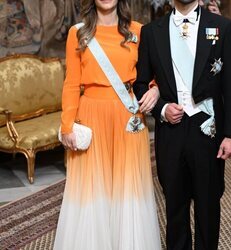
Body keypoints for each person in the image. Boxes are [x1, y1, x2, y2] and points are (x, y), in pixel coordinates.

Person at [134, 0, 231, 249]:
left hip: (208, 129)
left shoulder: (222, 27)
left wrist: (230, 134)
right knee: (174, 206)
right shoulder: (152, 32)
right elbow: (141, 83)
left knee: (207, 207)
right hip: (170, 131)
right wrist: (161, 108)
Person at [53, 0, 161, 249]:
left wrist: (155, 90)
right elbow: (71, 82)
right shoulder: (77, 33)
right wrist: (67, 124)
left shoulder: (139, 31)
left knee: (128, 183)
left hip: (128, 116)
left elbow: (155, 73)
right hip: (91, 113)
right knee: (92, 186)